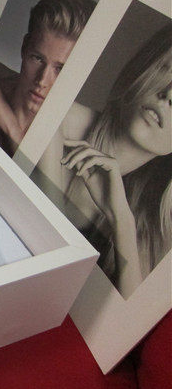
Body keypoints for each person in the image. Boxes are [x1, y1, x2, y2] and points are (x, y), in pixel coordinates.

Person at [34, 23, 172, 299]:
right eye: (167, 69)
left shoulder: (156, 219)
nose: (168, 95)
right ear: (144, 67)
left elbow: (129, 317)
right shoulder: (56, 119)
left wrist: (122, 221)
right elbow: (47, 250)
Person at [0, 0, 97, 154]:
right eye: (38, 59)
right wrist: (13, 129)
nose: (42, 80)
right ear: (24, 47)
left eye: (60, 69)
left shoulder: (83, 131)